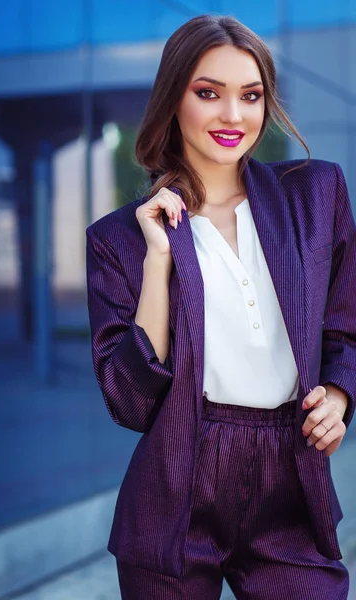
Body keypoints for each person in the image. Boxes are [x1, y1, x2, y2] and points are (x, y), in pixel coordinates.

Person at [86, 14, 356, 600]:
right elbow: (129, 403)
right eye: (208, 93)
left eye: (251, 96)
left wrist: (337, 396)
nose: (233, 116)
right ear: (173, 99)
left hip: (291, 470)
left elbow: (346, 328)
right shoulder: (120, 240)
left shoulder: (316, 195)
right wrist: (158, 262)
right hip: (177, 489)